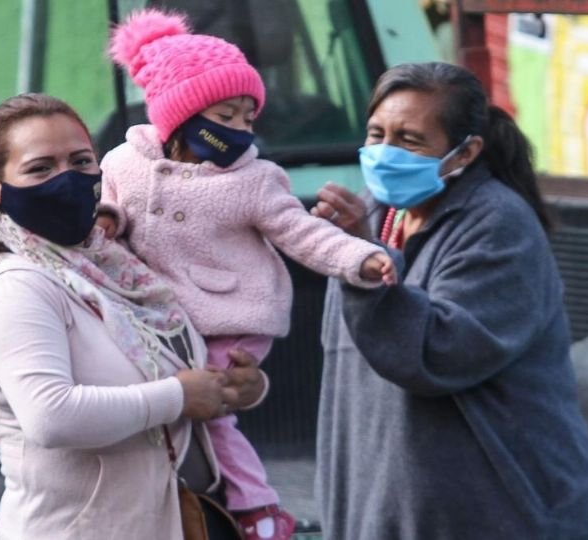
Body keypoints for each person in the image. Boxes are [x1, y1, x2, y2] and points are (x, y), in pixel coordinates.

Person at [97, 9, 395, 540]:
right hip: (160, 316)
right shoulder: (122, 162)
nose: (239, 131)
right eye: (226, 116)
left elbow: (304, 234)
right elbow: (107, 208)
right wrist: (107, 218)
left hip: (231, 316)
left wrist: (358, 258)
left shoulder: (255, 180)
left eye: (248, 118)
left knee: (210, 407)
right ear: (180, 115)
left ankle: (258, 508)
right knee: (160, 405)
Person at [0, 93, 267, 539]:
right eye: (40, 168)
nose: (66, 180)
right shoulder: (15, 287)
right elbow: (51, 417)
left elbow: (185, 375)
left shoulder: (121, 268)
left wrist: (240, 387)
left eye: (80, 161)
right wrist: (177, 397)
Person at [311, 62, 588, 539]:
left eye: (409, 140)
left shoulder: (499, 225)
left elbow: (437, 353)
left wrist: (365, 265)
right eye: (376, 133)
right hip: (384, 513)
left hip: (501, 515)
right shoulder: (372, 213)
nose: (385, 153)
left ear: (465, 152)